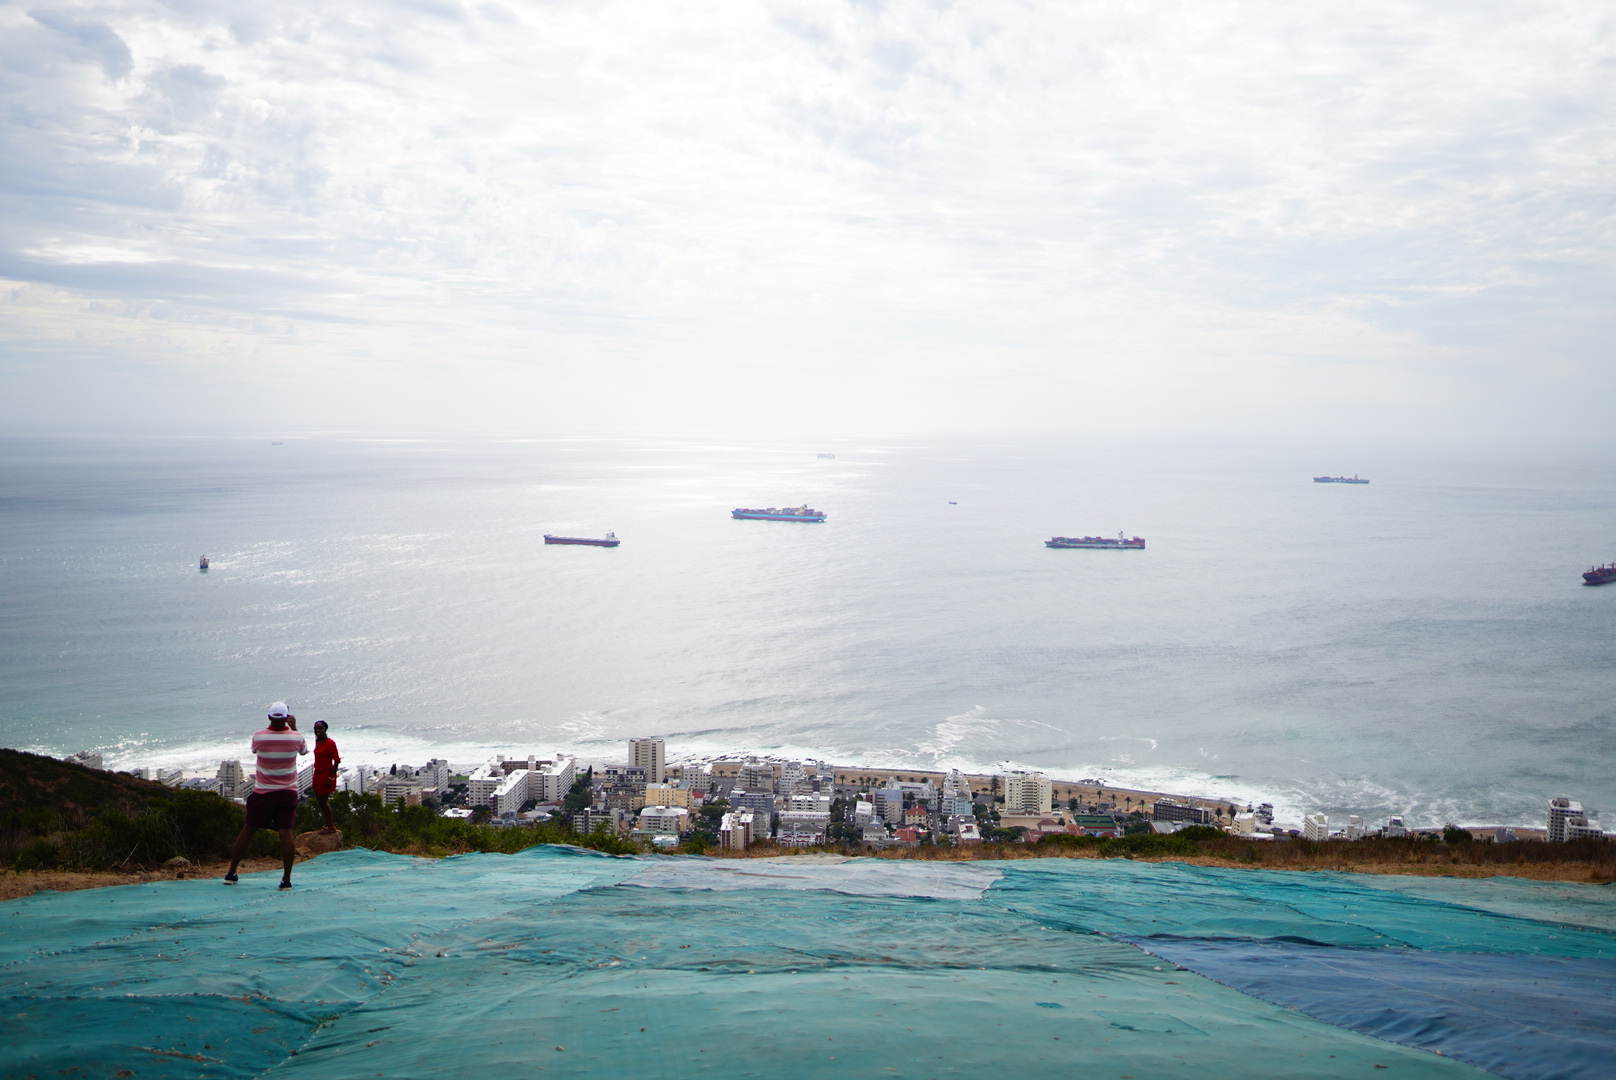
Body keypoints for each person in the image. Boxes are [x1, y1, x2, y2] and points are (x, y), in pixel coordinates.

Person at [223, 702, 308, 889]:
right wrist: (293, 728)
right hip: (287, 793)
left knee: (248, 830)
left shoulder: (258, 736)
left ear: (269, 717)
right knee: (286, 834)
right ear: (287, 717)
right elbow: (303, 751)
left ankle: (231, 873)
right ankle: (286, 880)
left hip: (263, 792)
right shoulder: (296, 737)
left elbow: (255, 749)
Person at [311, 720, 341, 833]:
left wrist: (330, 777)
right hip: (317, 773)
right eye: (316, 728)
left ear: (325, 729)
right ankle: (327, 825)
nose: (318, 730)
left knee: (323, 801)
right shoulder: (317, 741)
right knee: (319, 800)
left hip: (326, 774)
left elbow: (337, 761)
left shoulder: (330, 743)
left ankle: (330, 826)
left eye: (320, 728)